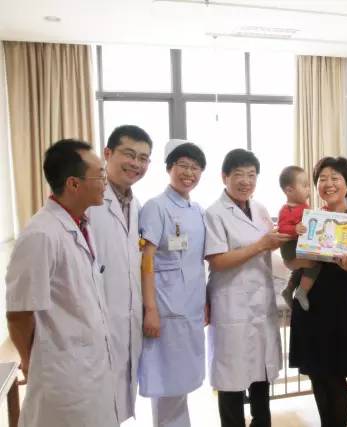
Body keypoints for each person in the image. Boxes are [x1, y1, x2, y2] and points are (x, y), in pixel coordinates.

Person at [5, 139, 118, 426]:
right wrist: (33, 363)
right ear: (73, 184)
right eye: (100, 176)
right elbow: (19, 314)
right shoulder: (41, 235)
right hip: (62, 373)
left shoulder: (80, 223)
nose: (105, 182)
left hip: (88, 366)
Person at [204, 148, 287, 427]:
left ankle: (262, 423)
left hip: (260, 302)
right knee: (231, 378)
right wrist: (261, 245)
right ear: (224, 177)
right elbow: (217, 261)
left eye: (251, 175)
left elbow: (269, 250)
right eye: (238, 174)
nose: (245, 181)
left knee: (261, 373)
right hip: (232, 304)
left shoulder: (261, 209)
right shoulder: (215, 214)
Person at [138, 140, 207, 427]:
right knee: (168, 384)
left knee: (181, 383)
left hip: (190, 308)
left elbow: (197, 261)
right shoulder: (156, 207)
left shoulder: (197, 209)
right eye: (182, 166)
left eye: (195, 168)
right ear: (169, 168)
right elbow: (146, 260)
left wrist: (205, 303)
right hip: (165, 310)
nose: (188, 173)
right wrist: (150, 309)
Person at [88, 124, 152, 423]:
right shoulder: (88, 203)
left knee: (117, 398)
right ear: (107, 153)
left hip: (126, 317)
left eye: (143, 158)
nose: (136, 164)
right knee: (95, 402)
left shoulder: (136, 205)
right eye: (130, 154)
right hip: (93, 321)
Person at [288, 156, 347, 427]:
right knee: (316, 374)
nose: (328, 184)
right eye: (322, 180)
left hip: (337, 307)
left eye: (335, 178)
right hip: (308, 305)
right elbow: (292, 263)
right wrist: (299, 239)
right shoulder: (311, 220)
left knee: (335, 376)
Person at [277, 165, 321, 311]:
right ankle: (302, 291)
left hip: (300, 245)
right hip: (290, 248)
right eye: (304, 186)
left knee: (303, 267)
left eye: (308, 185)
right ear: (289, 190)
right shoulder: (286, 209)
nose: (308, 189)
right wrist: (294, 229)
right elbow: (282, 228)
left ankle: (289, 289)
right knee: (314, 263)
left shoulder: (304, 206)